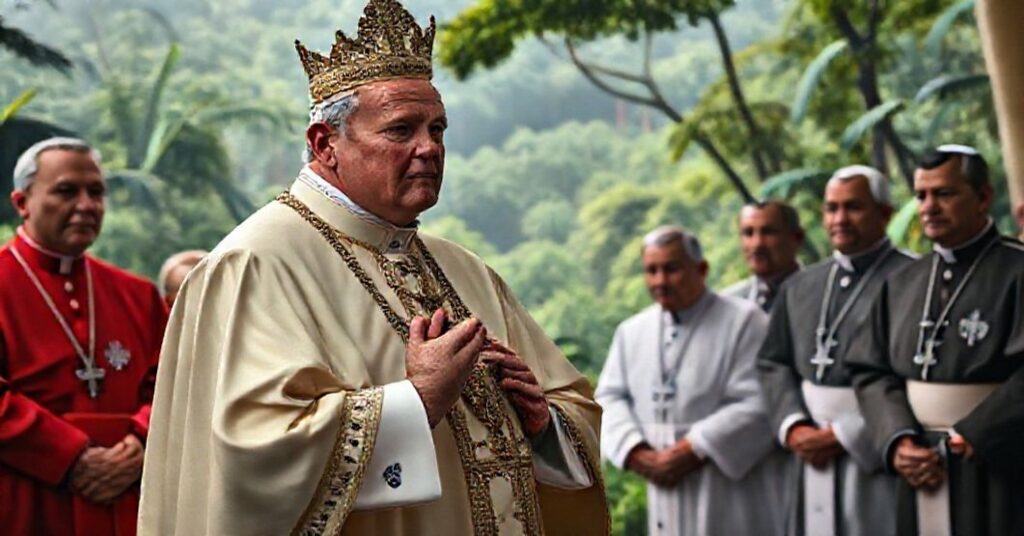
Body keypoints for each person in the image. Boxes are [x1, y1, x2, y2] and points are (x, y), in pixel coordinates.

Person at [137, 1, 608, 534]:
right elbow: (246, 459)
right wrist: (417, 400)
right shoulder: (253, 265)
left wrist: (543, 422)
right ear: (325, 144)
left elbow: (574, 402)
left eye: (438, 129)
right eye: (400, 130)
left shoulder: (465, 268)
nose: (429, 148)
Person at [849, 145, 1024, 536]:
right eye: (921, 195)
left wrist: (981, 430)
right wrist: (898, 440)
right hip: (918, 461)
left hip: (995, 460)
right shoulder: (902, 281)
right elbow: (869, 370)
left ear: (982, 198)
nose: (928, 207)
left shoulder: (1017, 269)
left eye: (944, 194)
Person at [0, 137, 168, 535]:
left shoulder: (138, 295)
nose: (86, 205)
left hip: (126, 497)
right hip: (28, 498)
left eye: (96, 192)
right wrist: (71, 456)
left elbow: (175, 382)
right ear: (21, 202)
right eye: (66, 191)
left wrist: (140, 442)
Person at [596, 225, 787, 536]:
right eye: (651, 271)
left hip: (725, 484)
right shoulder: (631, 331)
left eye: (671, 269)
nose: (660, 281)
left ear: (701, 269)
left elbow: (761, 401)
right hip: (660, 480)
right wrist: (636, 452)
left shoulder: (746, 321)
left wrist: (693, 448)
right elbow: (609, 397)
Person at [758, 166, 914, 536]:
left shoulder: (912, 277)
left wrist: (845, 434)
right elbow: (772, 362)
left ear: (886, 213)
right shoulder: (801, 284)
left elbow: (915, 376)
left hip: (874, 444)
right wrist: (793, 425)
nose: (839, 218)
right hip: (807, 446)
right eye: (831, 208)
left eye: (854, 207)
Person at [723, 200, 805, 311]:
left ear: (797, 237)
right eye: (748, 233)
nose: (757, 244)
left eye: (768, 232)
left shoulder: (823, 291)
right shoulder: (730, 306)